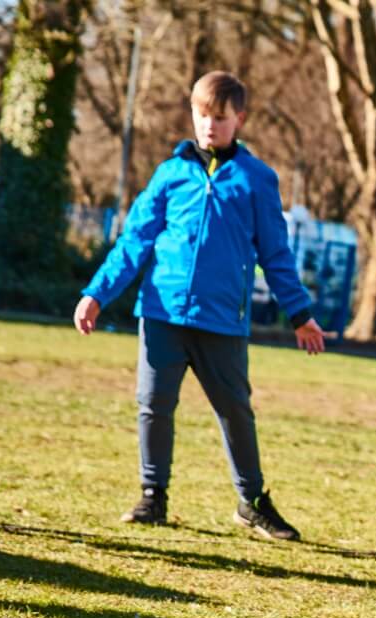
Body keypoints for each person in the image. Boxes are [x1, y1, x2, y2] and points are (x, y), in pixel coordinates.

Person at [73, 70, 325, 540]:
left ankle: (252, 502)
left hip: (222, 323)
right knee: (153, 406)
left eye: (220, 117)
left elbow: (276, 254)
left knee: (235, 412)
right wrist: (96, 294)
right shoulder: (170, 174)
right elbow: (135, 241)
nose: (209, 125)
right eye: (202, 115)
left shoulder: (257, 180)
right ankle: (153, 497)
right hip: (162, 313)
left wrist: (300, 314)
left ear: (240, 119)